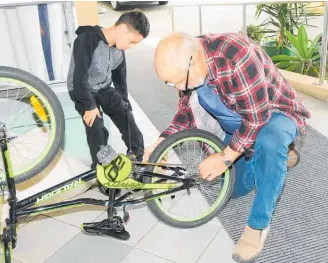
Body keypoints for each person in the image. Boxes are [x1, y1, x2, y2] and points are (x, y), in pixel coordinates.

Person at [144, 32, 311, 262]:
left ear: (194, 62)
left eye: (176, 81)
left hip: (273, 113)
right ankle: (269, 157)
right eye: (169, 82)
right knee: (234, 189)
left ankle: (258, 225)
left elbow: (256, 119)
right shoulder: (189, 66)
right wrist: (161, 143)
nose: (174, 87)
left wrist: (225, 156)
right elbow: (185, 114)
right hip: (237, 119)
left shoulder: (237, 55)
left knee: (269, 142)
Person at [67, 9, 150, 196]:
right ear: (122, 29)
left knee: (128, 120)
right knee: (96, 128)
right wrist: (89, 106)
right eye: (132, 41)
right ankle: (102, 173)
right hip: (82, 90)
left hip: (104, 88)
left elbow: (120, 80)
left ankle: (136, 163)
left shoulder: (119, 50)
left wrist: (125, 104)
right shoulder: (88, 39)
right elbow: (79, 77)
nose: (131, 46)